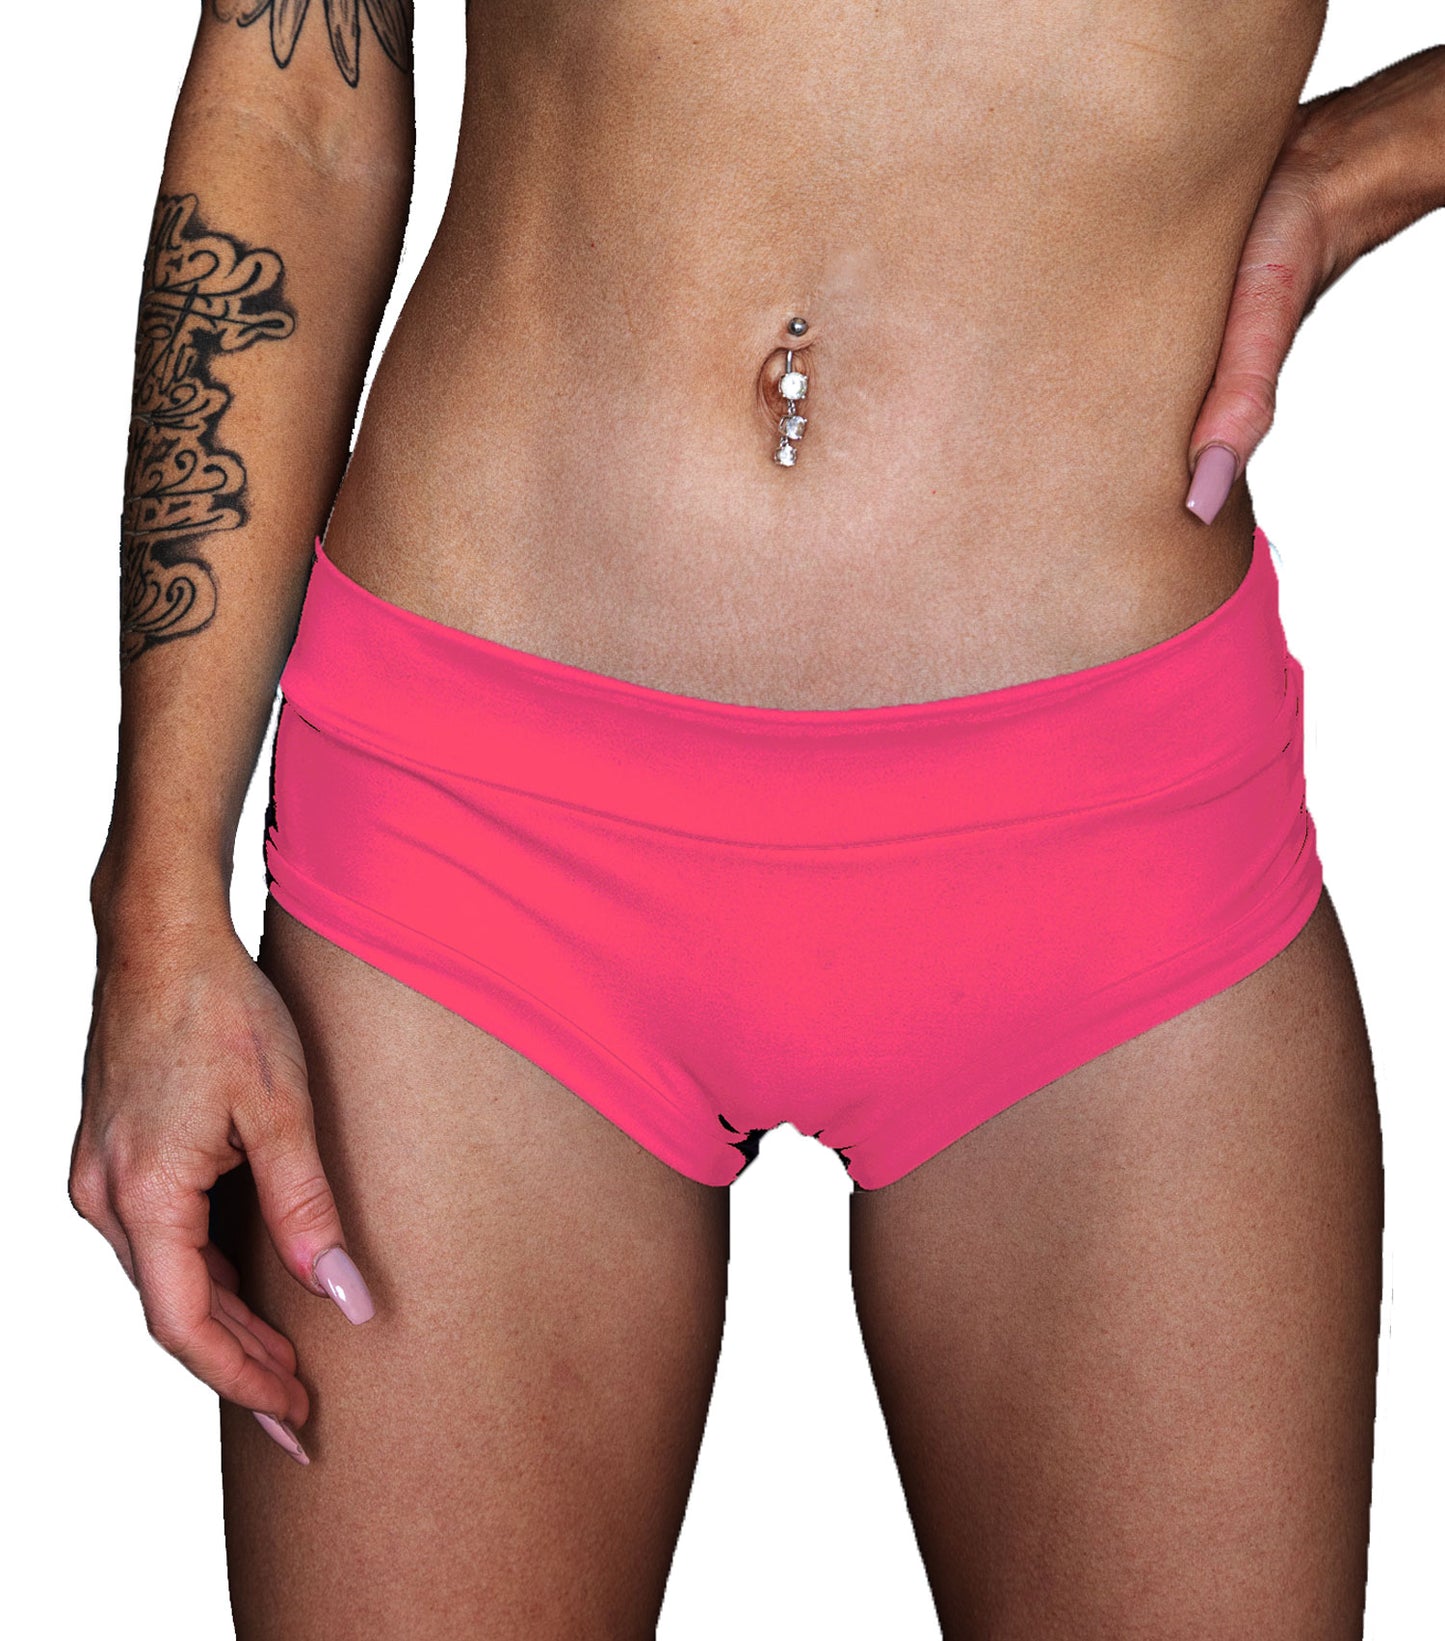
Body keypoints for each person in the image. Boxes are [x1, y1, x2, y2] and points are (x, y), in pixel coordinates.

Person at [73, 2, 1441, 1634]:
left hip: (1110, 846)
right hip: (468, 827)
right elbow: (297, 95)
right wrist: (157, 899)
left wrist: (1369, 158)